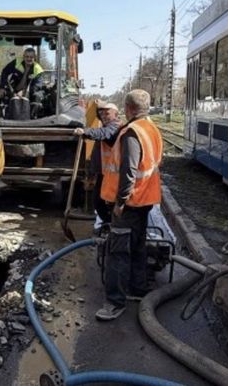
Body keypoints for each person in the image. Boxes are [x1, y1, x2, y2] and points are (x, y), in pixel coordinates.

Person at [95, 89, 163, 321]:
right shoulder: (150, 128)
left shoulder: (133, 133)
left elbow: (129, 171)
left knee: (118, 252)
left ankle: (115, 302)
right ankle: (138, 287)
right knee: (137, 245)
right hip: (145, 199)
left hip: (130, 202)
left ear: (128, 109)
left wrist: (120, 203)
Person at [72, 101, 122, 233]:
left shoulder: (115, 127)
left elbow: (103, 133)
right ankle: (108, 225)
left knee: (106, 202)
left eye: (107, 113)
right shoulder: (107, 123)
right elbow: (99, 118)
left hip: (112, 174)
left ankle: (112, 227)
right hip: (104, 172)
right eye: (102, 113)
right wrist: (96, 105)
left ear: (116, 115)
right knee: (98, 200)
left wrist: (85, 131)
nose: (104, 116)